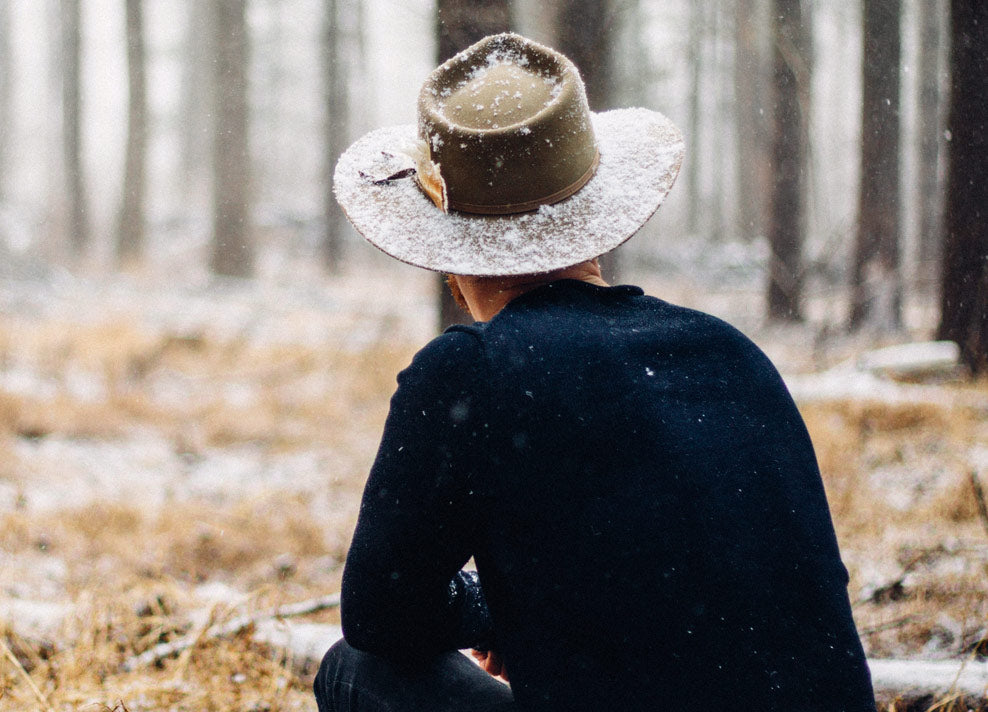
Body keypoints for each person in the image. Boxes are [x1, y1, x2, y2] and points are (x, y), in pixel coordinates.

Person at [314, 33, 875, 711]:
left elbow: (381, 615)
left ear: (448, 253)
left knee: (353, 670)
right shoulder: (729, 351)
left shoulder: (471, 374)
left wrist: (487, 609)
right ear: (597, 220)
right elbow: (728, 576)